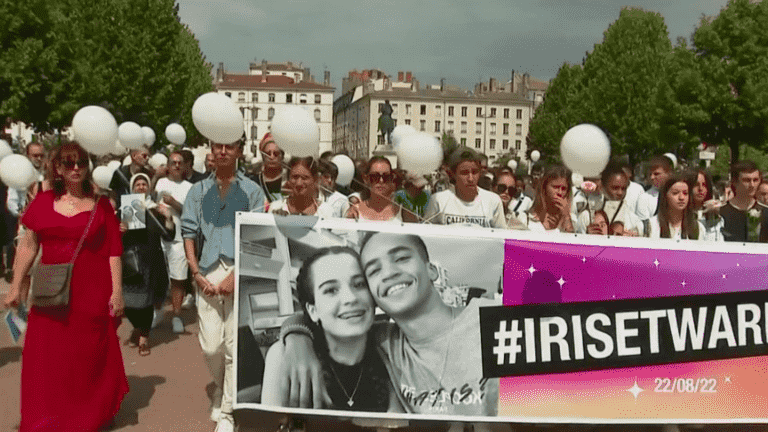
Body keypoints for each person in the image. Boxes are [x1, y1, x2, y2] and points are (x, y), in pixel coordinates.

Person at [279, 231, 499, 417]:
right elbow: (322, 321)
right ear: (373, 294)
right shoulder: (386, 341)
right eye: (373, 271)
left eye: (402, 258)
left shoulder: (493, 322)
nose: (389, 273)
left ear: (432, 270)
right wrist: (298, 340)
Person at [3, 141, 128, 430]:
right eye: (68, 164)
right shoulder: (43, 202)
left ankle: (86, 415)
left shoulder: (102, 205)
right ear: (57, 168)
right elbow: (28, 245)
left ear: (87, 167)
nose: (75, 169)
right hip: (51, 293)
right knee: (48, 359)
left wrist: (117, 292)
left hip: (92, 292)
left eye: (80, 163)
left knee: (86, 357)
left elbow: (113, 250)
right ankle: (48, 415)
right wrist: (14, 285)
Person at [181, 139, 265, 432]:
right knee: (211, 346)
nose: (223, 151)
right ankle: (220, 385)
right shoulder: (198, 190)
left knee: (233, 344)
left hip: (238, 271)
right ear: (211, 151)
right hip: (206, 271)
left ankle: (228, 411)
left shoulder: (253, 191)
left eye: (230, 147)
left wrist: (237, 274)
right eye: (218, 146)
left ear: (240, 151)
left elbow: (255, 237)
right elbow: (188, 233)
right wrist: (195, 272)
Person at [262, 247, 395, 412]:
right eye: (331, 290)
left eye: (359, 284)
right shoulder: (284, 356)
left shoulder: (391, 348)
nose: (351, 298)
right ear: (313, 310)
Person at [121, 173, 175, 356]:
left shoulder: (155, 209)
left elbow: (168, 236)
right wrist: (120, 228)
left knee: (147, 300)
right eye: (138, 184)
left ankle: (144, 337)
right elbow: (119, 236)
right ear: (132, 187)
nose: (142, 187)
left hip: (152, 259)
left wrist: (168, 218)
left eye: (145, 184)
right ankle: (137, 327)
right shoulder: (127, 207)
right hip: (131, 260)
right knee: (128, 301)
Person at [153, 151, 194, 333]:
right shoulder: (161, 183)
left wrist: (174, 204)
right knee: (156, 276)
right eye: (173, 162)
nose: (177, 165)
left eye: (180, 163)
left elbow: (191, 213)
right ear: (167, 166)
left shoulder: (189, 187)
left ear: (185, 166)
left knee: (178, 278)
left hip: (178, 239)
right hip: (159, 236)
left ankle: (177, 315)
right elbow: (145, 200)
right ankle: (158, 311)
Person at [424, 148, 507, 228]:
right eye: (464, 173)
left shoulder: (493, 201)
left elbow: (502, 238)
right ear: (453, 174)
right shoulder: (438, 200)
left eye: (474, 172)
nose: (470, 178)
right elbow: (425, 234)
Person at [575, 162, 641, 236]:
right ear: (602, 187)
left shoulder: (634, 220)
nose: (620, 192)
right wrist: (586, 235)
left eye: (623, 189)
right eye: (615, 188)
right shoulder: (587, 216)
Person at [346, 156, 417, 222]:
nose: (381, 180)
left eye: (386, 176)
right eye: (375, 176)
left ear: (392, 178)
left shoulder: (404, 211)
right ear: (366, 179)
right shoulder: (355, 211)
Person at [269, 157, 345, 218]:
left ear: (315, 180)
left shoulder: (325, 211)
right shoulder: (276, 207)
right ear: (288, 179)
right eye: (295, 177)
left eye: (305, 178)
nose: (299, 183)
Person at [647, 173, 705, 240]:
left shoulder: (698, 228)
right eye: (675, 193)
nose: (681, 197)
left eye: (685, 193)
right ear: (665, 196)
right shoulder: (650, 226)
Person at [520, 164, 575, 232]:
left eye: (564, 189)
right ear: (544, 187)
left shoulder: (572, 220)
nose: (560, 193)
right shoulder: (525, 219)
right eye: (555, 187)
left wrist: (567, 219)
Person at [720, 160, 764, 242]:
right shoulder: (721, 213)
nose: (752, 185)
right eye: (747, 180)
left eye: (755, 180)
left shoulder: (765, 212)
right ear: (734, 182)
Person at [635, 155, 673, 223]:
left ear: (669, 174)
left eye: (656, 174)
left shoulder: (679, 194)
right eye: (650, 174)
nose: (652, 177)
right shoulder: (645, 198)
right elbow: (644, 226)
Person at [689, 169, 724, 242]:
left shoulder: (715, 212)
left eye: (704, 185)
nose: (700, 189)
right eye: (696, 185)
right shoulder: (683, 213)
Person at [252, 133, 287, 206]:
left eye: (276, 154)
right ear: (263, 156)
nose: (271, 157)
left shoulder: (290, 179)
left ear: (282, 156)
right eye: (267, 153)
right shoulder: (254, 181)